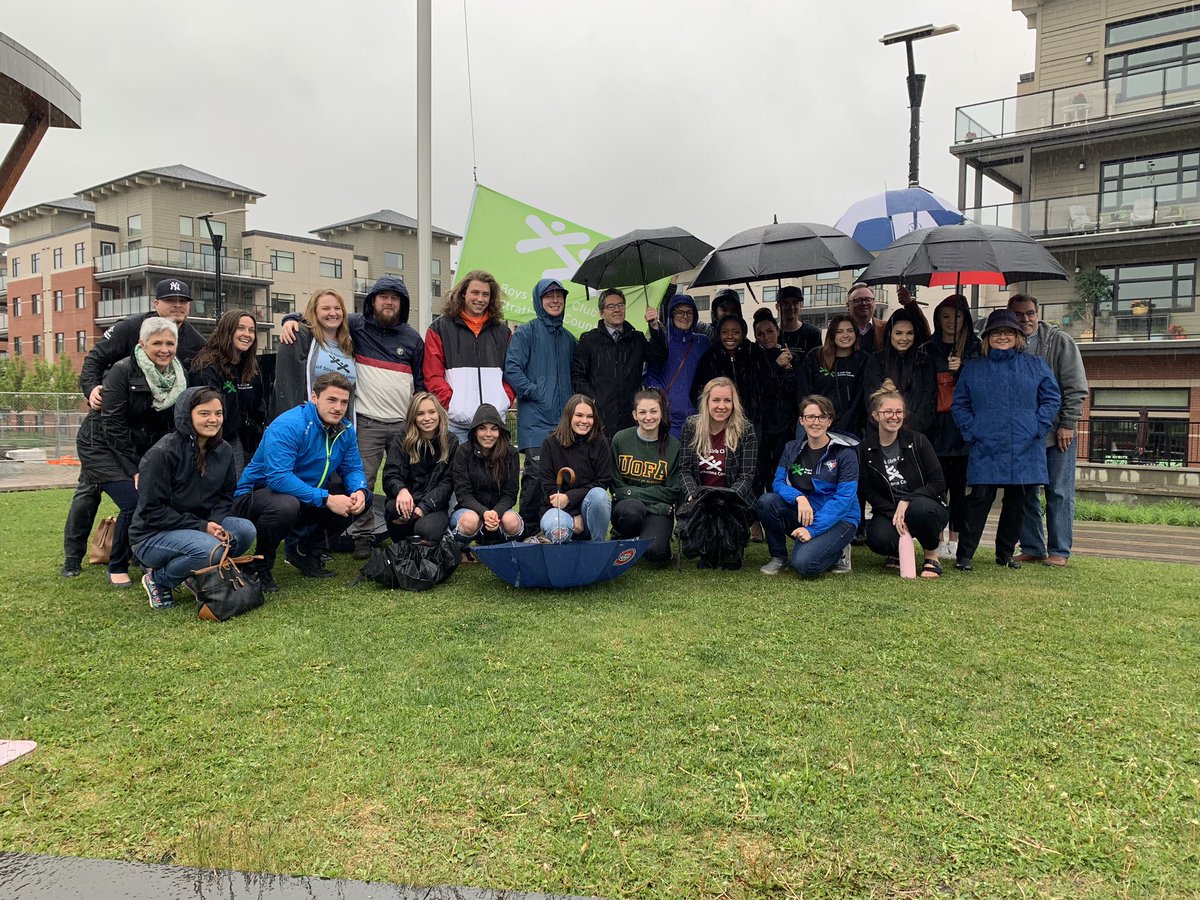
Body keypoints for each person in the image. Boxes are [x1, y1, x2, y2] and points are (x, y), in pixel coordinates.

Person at [62, 277, 204, 578]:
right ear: (156, 304)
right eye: (169, 301)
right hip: (106, 432)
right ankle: (73, 557)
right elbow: (95, 359)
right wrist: (91, 389)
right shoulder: (131, 330)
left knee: (146, 496)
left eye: (183, 302)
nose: (177, 306)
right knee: (90, 491)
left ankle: (137, 553)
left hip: (144, 437)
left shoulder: (194, 341)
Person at [281, 276, 425, 558]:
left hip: (401, 423)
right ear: (372, 301)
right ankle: (362, 536)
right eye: (382, 296)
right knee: (362, 481)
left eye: (394, 298)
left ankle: (408, 531)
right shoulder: (356, 325)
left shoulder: (412, 338)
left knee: (408, 479)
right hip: (368, 420)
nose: (388, 302)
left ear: (402, 304)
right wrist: (290, 318)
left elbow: (419, 382)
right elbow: (322, 313)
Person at [75, 317, 186, 587]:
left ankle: (147, 555)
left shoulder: (178, 376)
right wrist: (135, 469)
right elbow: (112, 425)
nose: (164, 349)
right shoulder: (122, 371)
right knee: (134, 502)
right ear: (142, 344)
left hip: (140, 447)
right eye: (156, 343)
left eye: (169, 343)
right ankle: (117, 564)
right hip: (102, 445)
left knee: (158, 497)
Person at [233, 373, 369, 591]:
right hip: (256, 496)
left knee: (361, 499)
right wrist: (326, 499)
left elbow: (352, 468)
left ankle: (304, 550)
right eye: (332, 400)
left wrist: (359, 490)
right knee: (285, 505)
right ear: (314, 397)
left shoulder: (345, 429)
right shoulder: (289, 424)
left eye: (344, 402)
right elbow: (278, 478)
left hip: (304, 495)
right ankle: (260, 566)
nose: (338, 407)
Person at [951, 309, 1060, 571]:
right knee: (979, 499)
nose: (1002, 336)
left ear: (1018, 336)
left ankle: (1005, 553)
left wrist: (1038, 425)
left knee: (1018, 501)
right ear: (987, 338)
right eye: (996, 332)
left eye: (1008, 332)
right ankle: (965, 555)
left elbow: (1051, 398)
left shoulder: (1035, 365)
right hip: (985, 442)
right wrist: (971, 430)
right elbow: (960, 404)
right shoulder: (974, 368)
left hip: (1025, 442)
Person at [129, 387, 257, 609]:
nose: (213, 419)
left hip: (199, 527)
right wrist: (202, 526)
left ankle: (192, 569)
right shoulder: (162, 453)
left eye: (218, 413)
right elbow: (152, 511)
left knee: (245, 531)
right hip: (152, 534)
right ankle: (159, 580)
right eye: (204, 413)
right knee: (211, 550)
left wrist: (214, 523)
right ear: (186, 415)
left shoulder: (224, 450)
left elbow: (225, 497)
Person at [1008, 293, 1089, 568]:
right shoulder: (1008, 345)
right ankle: (1032, 546)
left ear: (1037, 313)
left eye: (1029, 313)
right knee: (1026, 492)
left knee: (1059, 491)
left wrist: (1068, 423)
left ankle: (1060, 550)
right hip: (1022, 435)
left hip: (1057, 433)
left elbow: (1076, 386)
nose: (1025, 319)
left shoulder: (1060, 342)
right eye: (1018, 315)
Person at [756, 395, 860, 577]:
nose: (816, 422)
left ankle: (839, 552)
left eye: (822, 417)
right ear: (802, 421)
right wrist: (799, 497)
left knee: (805, 565)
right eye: (810, 417)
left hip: (841, 518)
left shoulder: (845, 453)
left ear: (829, 421)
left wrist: (812, 530)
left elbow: (844, 500)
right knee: (767, 501)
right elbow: (778, 483)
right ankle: (779, 558)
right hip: (806, 511)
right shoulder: (791, 448)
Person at [504, 278, 576, 536]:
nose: (555, 300)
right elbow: (512, 368)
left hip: (563, 422)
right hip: (535, 420)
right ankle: (527, 530)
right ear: (539, 300)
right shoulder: (527, 332)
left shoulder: (569, 339)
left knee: (561, 476)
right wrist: (534, 391)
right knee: (535, 474)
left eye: (559, 296)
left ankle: (555, 527)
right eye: (549, 296)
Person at [858, 380, 949, 579]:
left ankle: (932, 556)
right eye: (887, 412)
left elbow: (939, 484)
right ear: (875, 416)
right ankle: (897, 552)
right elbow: (868, 491)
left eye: (899, 412)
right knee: (877, 538)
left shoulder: (918, 441)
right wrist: (895, 514)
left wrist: (907, 501)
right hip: (890, 510)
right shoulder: (864, 449)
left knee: (920, 509)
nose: (894, 417)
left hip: (927, 507)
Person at [923, 295, 981, 560]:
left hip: (962, 427)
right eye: (945, 316)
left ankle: (955, 539)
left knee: (958, 488)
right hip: (935, 427)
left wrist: (963, 369)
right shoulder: (928, 348)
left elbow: (982, 384)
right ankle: (936, 537)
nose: (950, 322)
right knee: (937, 485)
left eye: (956, 316)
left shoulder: (975, 348)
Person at [424, 270, 513, 441]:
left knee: (494, 469)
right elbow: (432, 375)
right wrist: (453, 406)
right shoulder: (440, 328)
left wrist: (503, 402)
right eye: (475, 292)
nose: (480, 299)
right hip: (456, 425)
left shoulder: (503, 332)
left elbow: (511, 373)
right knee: (456, 468)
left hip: (493, 426)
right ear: (463, 293)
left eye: (486, 294)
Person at [679, 377, 759, 569]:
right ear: (706, 401)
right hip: (701, 498)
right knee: (706, 558)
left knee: (730, 560)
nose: (721, 406)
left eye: (727, 400)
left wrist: (728, 496)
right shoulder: (691, 426)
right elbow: (684, 469)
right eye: (716, 400)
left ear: (734, 403)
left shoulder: (745, 430)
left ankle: (734, 543)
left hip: (733, 499)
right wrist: (693, 494)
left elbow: (747, 475)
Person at [572, 288, 666, 440]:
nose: (617, 310)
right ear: (601, 312)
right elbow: (578, 376)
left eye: (621, 305)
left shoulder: (636, 338)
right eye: (611, 306)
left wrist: (654, 326)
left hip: (631, 418)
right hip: (601, 419)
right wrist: (594, 400)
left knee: (629, 462)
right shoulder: (589, 340)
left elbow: (659, 355)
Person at [610, 388, 682, 564]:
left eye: (653, 411)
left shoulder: (674, 446)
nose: (648, 417)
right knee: (632, 511)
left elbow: (672, 490)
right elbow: (616, 486)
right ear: (634, 415)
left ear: (662, 413)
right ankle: (625, 536)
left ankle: (652, 540)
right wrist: (656, 504)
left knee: (655, 553)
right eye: (642, 412)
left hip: (657, 512)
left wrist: (630, 492)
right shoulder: (620, 439)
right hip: (630, 508)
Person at [188, 309, 265, 472]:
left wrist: (256, 429)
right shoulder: (207, 367)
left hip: (250, 441)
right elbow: (206, 415)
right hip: (220, 441)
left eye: (251, 330)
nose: (247, 334)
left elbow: (259, 405)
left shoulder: (251, 367)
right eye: (240, 328)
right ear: (227, 330)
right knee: (232, 491)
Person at [383, 392, 458, 545]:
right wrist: (401, 490)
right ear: (413, 417)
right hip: (407, 500)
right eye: (420, 414)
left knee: (428, 531)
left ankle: (425, 537)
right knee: (394, 510)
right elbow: (391, 473)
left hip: (433, 504)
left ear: (439, 413)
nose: (427, 418)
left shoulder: (451, 441)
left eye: (432, 412)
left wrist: (425, 506)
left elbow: (448, 482)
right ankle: (402, 543)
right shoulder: (401, 439)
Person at [270, 288, 356, 422]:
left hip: (339, 428)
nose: (332, 313)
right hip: (307, 425)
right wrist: (293, 424)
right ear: (314, 311)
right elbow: (286, 387)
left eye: (337, 308)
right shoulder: (298, 335)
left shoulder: (349, 344)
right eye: (325, 308)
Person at [537, 395, 613, 543]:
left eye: (590, 416)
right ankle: (563, 543)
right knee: (558, 530)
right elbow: (548, 486)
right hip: (557, 509)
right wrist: (573, 513)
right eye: (579, 415)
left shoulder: (600, 442)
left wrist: (570, 499)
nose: (584, 421)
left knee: (599, 495)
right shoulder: (550, 443)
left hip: (589, 509)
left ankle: (597, 545)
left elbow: (602, 482)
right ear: (568, 416)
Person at [450, 403, 523, 549]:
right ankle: (463, 547)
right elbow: (462, 493)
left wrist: (495, 513)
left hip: (499, 511)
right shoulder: (463, 451)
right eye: (482, 428)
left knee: (512, 522)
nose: (488, 434)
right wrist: (484, 513)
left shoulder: (510, 453)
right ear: (475, 431)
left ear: (500, 431)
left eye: (494, 429)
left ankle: (501, 544)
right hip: (470, 510)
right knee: (469, 521)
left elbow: (510, 494)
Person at [690, 315, 774, 434]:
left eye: (735, 332)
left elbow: (769, 385)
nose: (730, 336)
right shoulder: (709, 358)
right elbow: (697, 391)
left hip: (752, 423)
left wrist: (757, 410)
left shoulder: (755, 353)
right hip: (719, 424)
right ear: (719, 334)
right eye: (725, 332)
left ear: (743, 333)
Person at [862, 308, 936, 436]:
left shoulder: (925, 361)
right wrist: (893, 427)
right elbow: (872, 400)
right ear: (890, 333)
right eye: (898, 333)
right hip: (882, 434)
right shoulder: (876, 360)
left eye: (910, 333)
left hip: (917, 434)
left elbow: (928, 400)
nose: (904, 338)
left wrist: (909, 430)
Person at [645, 293, 709, 438]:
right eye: (679, 312)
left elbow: (710, 374)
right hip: (669, 419)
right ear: (671, 315)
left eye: (689, 312)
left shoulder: (703, 342)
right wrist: (663, 399)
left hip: (698, 417)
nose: (685, 316)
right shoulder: (661, 341)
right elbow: (650, 376)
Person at [751, 313, 799, 503]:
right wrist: (775, 367)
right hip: (761, 425)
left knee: (779, 473)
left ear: (778, 331)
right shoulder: (754, 357)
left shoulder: (789, 355)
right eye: (761, 334)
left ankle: (776, 513)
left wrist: (788, 369)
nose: (766, 337)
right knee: (758, 473)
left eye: (770, 331)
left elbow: (793, 391)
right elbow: (761, 390)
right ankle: (755, 518)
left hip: (783, 425)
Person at [796, 314, 868, 437]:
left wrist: (846, 422)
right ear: (832, 334)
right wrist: (817, 418)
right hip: (815, 423)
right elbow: (803, 391)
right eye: (839, 331)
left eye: (850, 331)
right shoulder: (815, 356)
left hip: (850, 428)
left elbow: (860, 398)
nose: (845, 335)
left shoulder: (863, 360)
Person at [775, 285, 822, 356]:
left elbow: (819, 363)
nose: (791, 307)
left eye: (795, 303)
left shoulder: (813, 333)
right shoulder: (769, 334)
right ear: (777, 307)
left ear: (801, 306)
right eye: (785, 303)